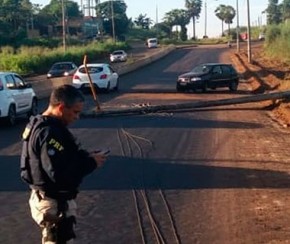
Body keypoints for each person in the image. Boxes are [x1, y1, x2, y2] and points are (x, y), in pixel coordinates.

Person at [20, 84, 107, 243]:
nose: (77, 117)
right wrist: (90, 163)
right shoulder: (50, 133)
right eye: (75, 112)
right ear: (61, 107)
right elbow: (59, 174)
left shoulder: (38, 123)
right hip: (54, 204)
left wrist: (86, 156)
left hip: (46, 199)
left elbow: (62, 158)